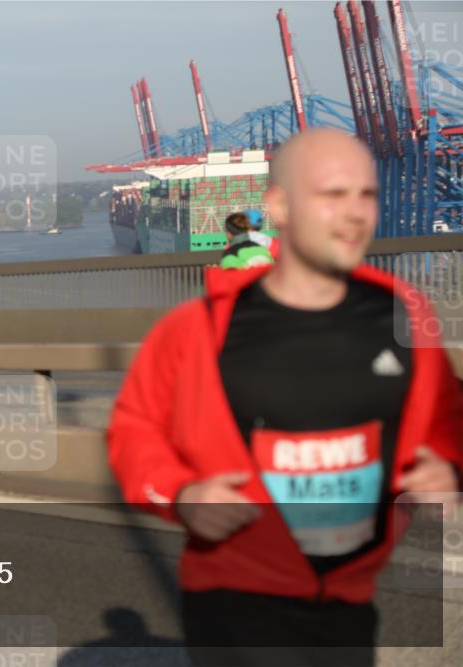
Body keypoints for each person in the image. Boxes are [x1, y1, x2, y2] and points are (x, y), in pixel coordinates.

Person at [107, 128, 462, 666]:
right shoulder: (198, 329)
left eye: (366, 194)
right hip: (235, 599)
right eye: (331, 195)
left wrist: (448, 470)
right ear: (278, 206)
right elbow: (136, 431)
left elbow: (445, 421)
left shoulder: (403, 311)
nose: (354, 213)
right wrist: (179, 494)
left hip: (347, 600)